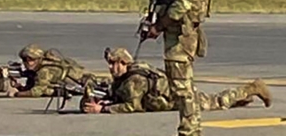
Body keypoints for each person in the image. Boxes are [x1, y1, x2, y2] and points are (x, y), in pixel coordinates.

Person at [145, 0, 212, 136]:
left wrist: (159, 26)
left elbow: (181, 5)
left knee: (182, 89)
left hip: (181, 37)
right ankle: (191, 128)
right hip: (177, 34)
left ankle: (189, 131)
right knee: (180, 87)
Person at [82, 47, 272, 114]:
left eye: (113, 63)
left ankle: (252, 88)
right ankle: (242, 99)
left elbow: (133, 106)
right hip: (173, 95)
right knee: (216, 102)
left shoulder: (134, 81)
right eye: (109, 63)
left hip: (178, 98)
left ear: (123, 63)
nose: (110, 67)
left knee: (216, 102)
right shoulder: (125, 77)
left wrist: (104, 109)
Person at [0, 43, 94, 98]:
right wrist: (20, 87)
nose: (27, 62)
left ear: (39, 59)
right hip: (71, 85)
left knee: (47, 91)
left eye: (31, 59)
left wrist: (16, 94)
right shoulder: (38, 69)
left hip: (81, 85)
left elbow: (36, 92)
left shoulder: (45, 70)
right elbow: (35, 85)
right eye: (25, 60)